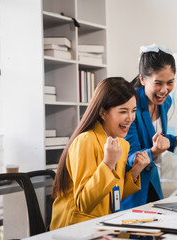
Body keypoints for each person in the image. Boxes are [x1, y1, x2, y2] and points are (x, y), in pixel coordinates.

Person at [50, 77, 150, 230]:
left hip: (103, 225)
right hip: (74, 228)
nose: (130, 118)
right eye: (123, 111)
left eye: (133, 111)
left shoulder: (122, 144)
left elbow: (113, 195)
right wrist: (108, 164)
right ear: (103, 112)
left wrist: (135, 171)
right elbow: (84, 203)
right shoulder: (85, 141)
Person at [121, 44, 177, 210]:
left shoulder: (165, 102)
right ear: (143, 79)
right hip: (132, 183)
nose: (164, 90)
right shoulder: (131, 106)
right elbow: (131, 156)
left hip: (152, 180)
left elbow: (153, 137)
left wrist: (176, 140)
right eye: (158, 83)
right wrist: (155, 151)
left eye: (170, 83)